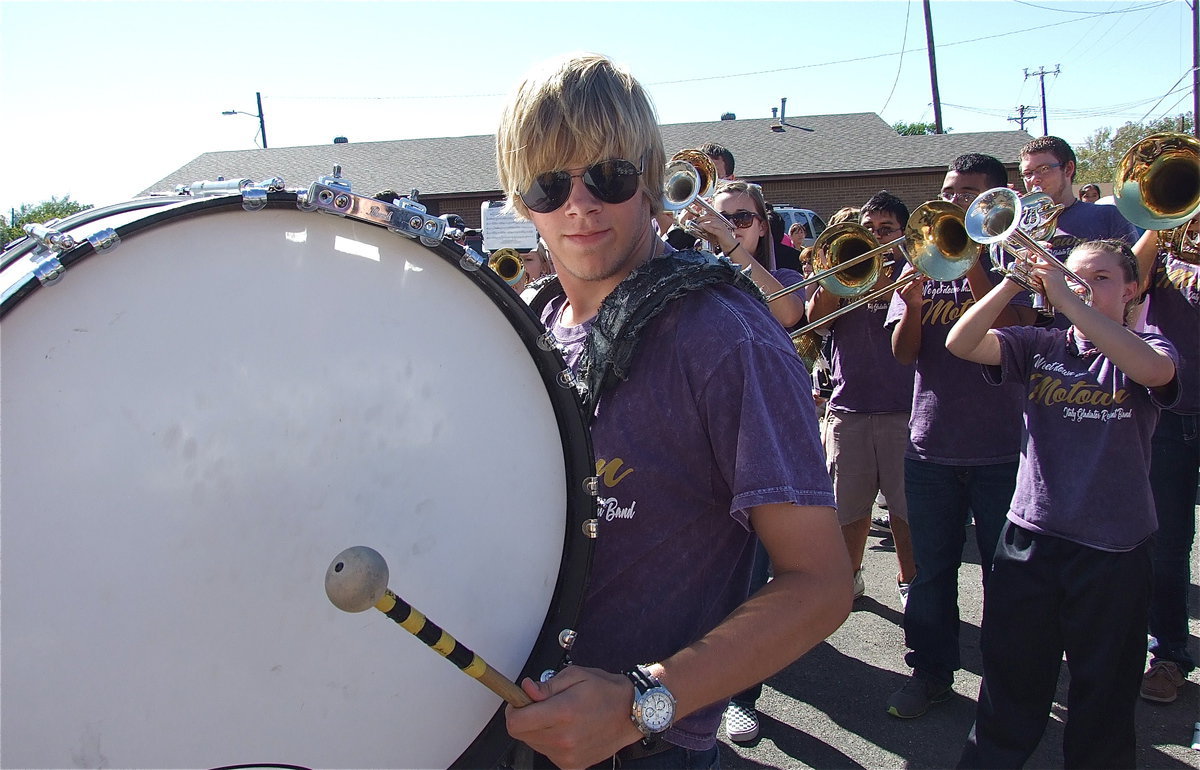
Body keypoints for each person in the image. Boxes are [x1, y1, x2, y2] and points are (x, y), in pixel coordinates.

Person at [495, 53, 851, 769]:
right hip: (501, 719)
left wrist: (639, 702)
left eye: (608, 175)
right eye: (548, 184)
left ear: (651, 179)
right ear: (519, 199)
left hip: (643, 751)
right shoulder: (516, 325)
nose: (580, 204)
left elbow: (820, 583)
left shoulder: (725, 337)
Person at [947, 239, 1178, 768]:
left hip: (1114, 550)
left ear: (1131, 290)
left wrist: (1068, 298)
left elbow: (1153, 374)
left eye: (1100, 279)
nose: (1082, 286)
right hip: (1031, 537)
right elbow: (962, 343)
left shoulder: (1153, 346)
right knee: (1011, 679)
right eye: (1074, 276)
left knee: (1104, 692)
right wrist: (1015, 281)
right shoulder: (1040, 344)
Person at [883, 153, 1038, 719]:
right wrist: (915, 305)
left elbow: (1020, 335)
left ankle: (1008, 683)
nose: (952, 202)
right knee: (930, 571)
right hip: (931, 445)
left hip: (1001, 446)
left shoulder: (1018, 264)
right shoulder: (923, 256)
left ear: (997, 201)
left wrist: (973, 262)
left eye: (966, 193)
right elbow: (903, 354)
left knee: (1009, 578)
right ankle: (929, 672)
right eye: (948, 190)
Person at [806, 191, 917, 607]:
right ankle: (848, 579)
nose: (876, 237)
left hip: (904, 408)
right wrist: (839, 274)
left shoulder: (915, 271)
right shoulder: (846, 268)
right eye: (869, 230)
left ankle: (911, 584)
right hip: (849, 408)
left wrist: (889, 286)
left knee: (906, 513)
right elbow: (817, 321)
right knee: (848, 510)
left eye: (886, 230)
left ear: (903, 233)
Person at [1131, 214, 1199, 704]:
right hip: (1173, 412)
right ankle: (1169, 654)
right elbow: (1129, 284)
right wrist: (1159, 222)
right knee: (1169, 544)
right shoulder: (1165, 247)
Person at [1018, 137, 1138, 274]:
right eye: (1028, 174)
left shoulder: (1109, 216)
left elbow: (1132, 278)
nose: (1034, 179)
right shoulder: (1015, 226)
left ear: (1068, 169)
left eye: (1044, 169)